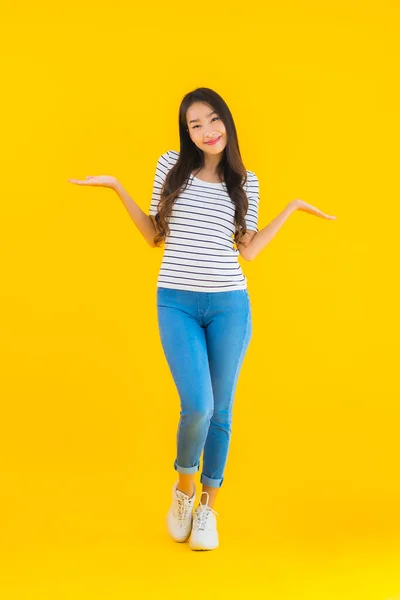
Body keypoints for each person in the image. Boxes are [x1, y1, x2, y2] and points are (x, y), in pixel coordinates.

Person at [68, 87, 336, 552]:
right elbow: (155, 235)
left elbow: (248, 250)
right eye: (195, 124)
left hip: (230, 304)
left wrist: (289, 209)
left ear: (227, 123)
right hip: (177, 302)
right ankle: (184, 491)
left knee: (222, 410)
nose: (207, 131)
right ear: (186, 132)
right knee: (198, 405)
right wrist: (116, 187)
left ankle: (208, 509)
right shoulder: (170, 168)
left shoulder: (245, 182)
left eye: (214, 120)